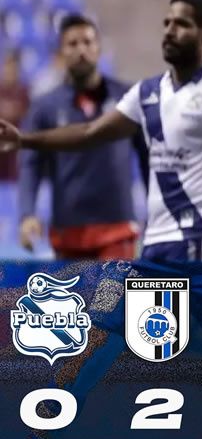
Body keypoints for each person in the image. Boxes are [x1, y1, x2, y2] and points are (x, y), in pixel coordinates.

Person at [0, 0, 202, 439]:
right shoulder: (141, 95)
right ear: (61, 51)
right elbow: (77, 141)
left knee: (140, 350)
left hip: (161, 249)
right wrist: (25, 142)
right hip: (109, 246)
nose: (168, 30)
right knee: (104, 340)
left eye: (181, 23)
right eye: (165, 21)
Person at [17, 14, 145, 260]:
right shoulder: (44, 107)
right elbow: (30, 165)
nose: (81, 50)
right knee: (73, 300)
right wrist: (27, 214)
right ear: (60, 52)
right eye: (73, 44)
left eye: (88, 42)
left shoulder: (128, 97)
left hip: (117, 231)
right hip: (67, 234)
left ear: (99, 48)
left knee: (109, 300)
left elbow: (149, 157)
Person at [0, 50, 29, 180]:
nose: (9, 70)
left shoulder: (24, 91)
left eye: (12, 67)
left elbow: (24, 112)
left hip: (15, 144)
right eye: (7, 66)